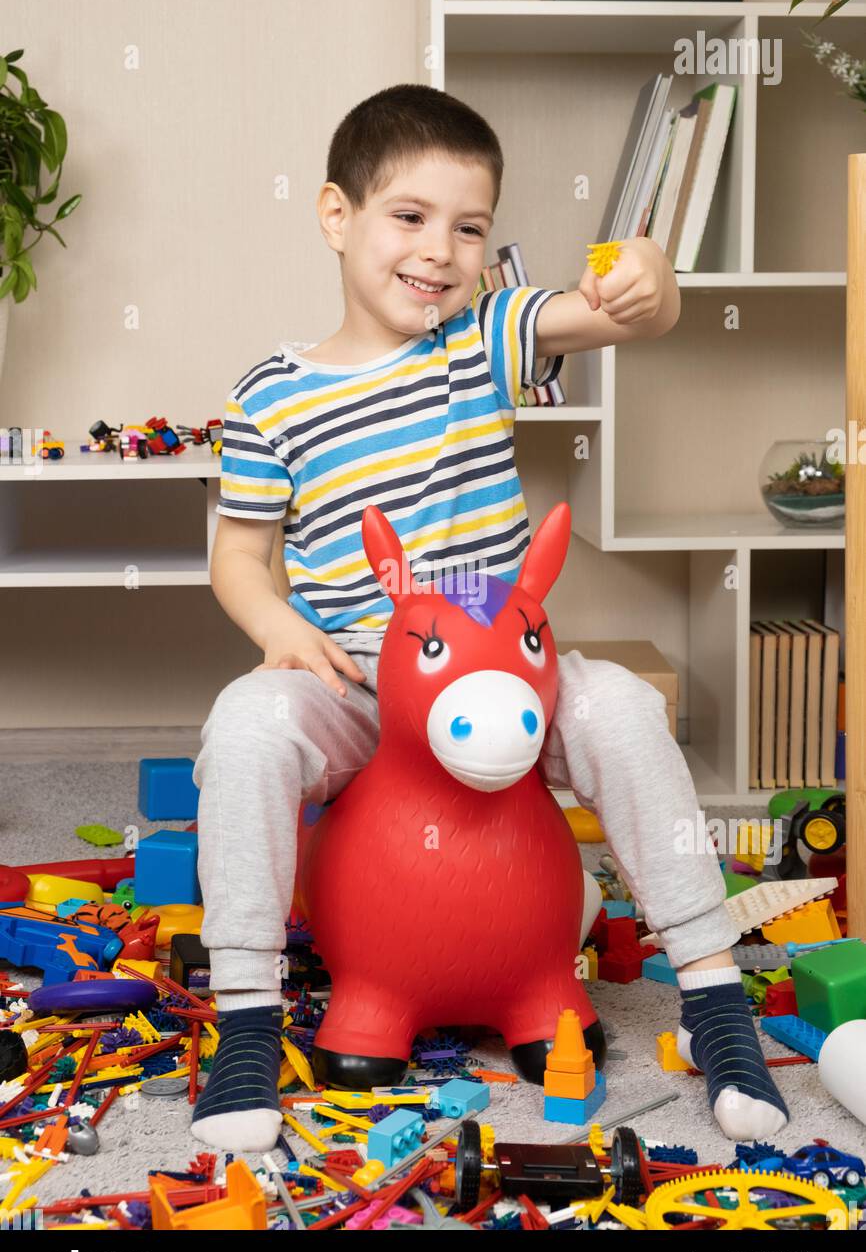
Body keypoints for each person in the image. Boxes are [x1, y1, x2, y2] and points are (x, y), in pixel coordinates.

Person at [190, 84, 789, 1153]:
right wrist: (278, 631)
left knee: (618, 710)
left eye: (469, 228)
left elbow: (610, 313)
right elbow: (237, 559)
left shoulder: (483, 335)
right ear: (336, 216)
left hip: (505, 679)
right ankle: (243, 1015)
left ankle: (711, 998)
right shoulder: (267, 395)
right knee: (243, 723)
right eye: (408, 218)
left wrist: (650, 284)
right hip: (361, 685)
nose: (439, 251)